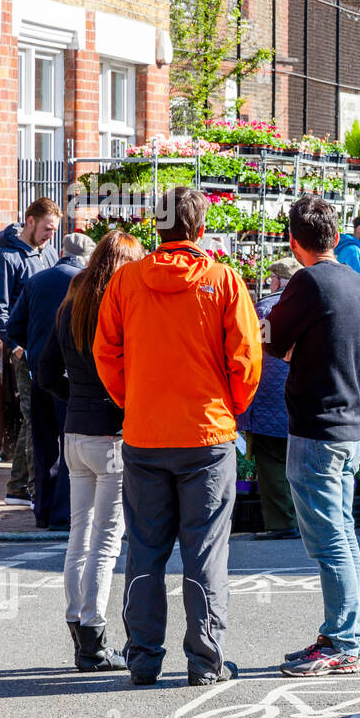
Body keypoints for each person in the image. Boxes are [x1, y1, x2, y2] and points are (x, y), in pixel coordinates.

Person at [94, 187, 262, 687]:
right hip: (206, 436)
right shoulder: (223, 281)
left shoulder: (126, 281)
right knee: (205, 549)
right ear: (201, 228)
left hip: (145, 435)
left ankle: (143, 659)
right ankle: (205, 661)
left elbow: (107, 353)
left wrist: (135, 402)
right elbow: (247, 360)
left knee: (144, 548)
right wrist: (227, 408)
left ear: (157, 227)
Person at [262, 195, 360, 677]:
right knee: (343, 534)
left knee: (330, 540)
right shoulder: (359, 281)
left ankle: (343, 640)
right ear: (335, 236)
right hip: (350, 424)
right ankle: (342, 633)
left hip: (317, 428)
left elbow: (270, 340)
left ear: (294, 243)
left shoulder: (307, 281)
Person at [35, 231, 145, 672]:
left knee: (78, 534)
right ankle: (95, 639)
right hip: (112, 436)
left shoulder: (72, 303)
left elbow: (44, 372)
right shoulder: (120, 309)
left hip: (75, 432)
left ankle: (79, 626)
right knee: (105, 541)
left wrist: (77, 397)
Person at [7, 232, 96, 530]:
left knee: (44, 445)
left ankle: (42, 511)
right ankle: (62, 514)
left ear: (61, 251)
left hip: (38, 376)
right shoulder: (87, 284)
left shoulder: (36, 280)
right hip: (73, 378)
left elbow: (14, 328)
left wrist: (33, 350)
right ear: (87, 257)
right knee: (70, 444)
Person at [0, 198, 59, 506]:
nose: (49, 236)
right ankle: (33, 488)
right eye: (46, 229)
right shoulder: (5, 258)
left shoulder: (50, 253)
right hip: (26, 350)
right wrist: (15, 347)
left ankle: (17, 486)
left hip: (50, 349)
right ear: (30, 221)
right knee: (35, 417)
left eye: (54, 231)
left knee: (37, 417)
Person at [235, 256, 303, 539]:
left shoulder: (261, 309)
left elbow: (245, 353)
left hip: (265, 399)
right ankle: (302, 520)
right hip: (300, 396)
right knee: (298, 462)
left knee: (271, 461)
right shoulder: (305, 308)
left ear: (275, 280)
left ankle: (280, 523)